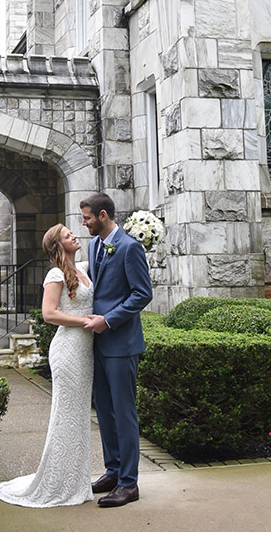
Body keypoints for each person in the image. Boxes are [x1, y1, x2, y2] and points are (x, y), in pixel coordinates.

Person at [0, 224, 95, 508]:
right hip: (68, 350)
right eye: (67, 235)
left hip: (86, 351)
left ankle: (76, 480)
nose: (74, 235)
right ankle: (57, 482)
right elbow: (49, 314)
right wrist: (87, 321)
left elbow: (110, 254)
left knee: (79, 415)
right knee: (66, 414)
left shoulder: (84, 269)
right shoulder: (55, 273)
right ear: (58, 245)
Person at [81, 192, 153, 507]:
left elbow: (142, 294)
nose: (84, 223)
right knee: (106, 414)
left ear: (104, 216)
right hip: (97, 344)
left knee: (124, 415)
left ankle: (129, 483)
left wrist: (108, 321)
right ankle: (112, 470)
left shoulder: (129, 247)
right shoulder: (94, 245)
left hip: (122, 344)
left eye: (87, 218)